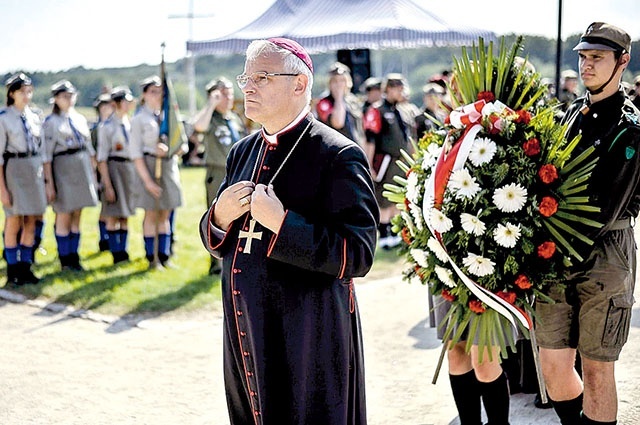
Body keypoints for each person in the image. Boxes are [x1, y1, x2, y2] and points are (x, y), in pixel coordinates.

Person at [199, 37, 378, 424]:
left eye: (261, 76)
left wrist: (283, 224)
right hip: (246, 324)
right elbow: (215, 236)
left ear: (299, 84)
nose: (248, 86)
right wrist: (218, 217)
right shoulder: (241, 151)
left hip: (308, 336)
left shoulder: (338, 154)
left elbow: (358, 253)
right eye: (246, 76)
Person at [535, 22, 640, 425]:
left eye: (597, 58)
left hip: (605, 254)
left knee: (597, 370)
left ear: (622, 62)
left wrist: (552, 247)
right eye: (583, 56)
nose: (586, 65)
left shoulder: (629, 128)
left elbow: (605, 209)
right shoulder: (569, 116)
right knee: (553, 366)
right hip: (556, 248)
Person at [192, 76, 247, 275]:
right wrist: (211, 104)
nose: (228, 97)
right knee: (218, 216)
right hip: (217, 172)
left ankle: (234, 258)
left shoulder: (233, 119)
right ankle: (216, 263)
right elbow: (198, 127)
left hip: (238, 172)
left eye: (230, 93)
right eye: (223, 93)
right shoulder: (210, 117)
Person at [42, 80, 98, 271]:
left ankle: (75, 256)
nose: (69, 100)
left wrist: (93, 173)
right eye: (64, 96)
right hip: (63, 169)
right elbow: (46, 156)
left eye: (71, 95)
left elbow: (89, 148)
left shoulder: (79, 118)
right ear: (56, 99)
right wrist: (49, 182)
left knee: (77, 214)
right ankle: (65, 258)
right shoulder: (51, 123)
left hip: (81, 167)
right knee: (64, 214)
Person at [130, 75, 184, 269]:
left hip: (167, 166)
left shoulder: (169, 116)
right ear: (144, 95)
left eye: (161, 92)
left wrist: (169, 149)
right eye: (153, 92)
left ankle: (164, 254)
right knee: (151, 214)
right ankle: (151, 257)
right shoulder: (139, 119)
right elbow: (135, 153)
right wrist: (147, 181)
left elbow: (181, 144)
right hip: (150, 166)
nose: (158, 96)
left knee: (165, 214)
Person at [0, 73, 47, 285]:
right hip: (14, 168)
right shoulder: (4, 118)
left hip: (33, 168)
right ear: (12, 93)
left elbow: (42, 150)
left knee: (32, 219)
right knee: (14, 219)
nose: (26, 95)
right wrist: (2, 189)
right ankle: (12, 268)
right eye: (21, 91)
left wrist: (47, 180)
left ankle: (26, 266)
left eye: (29, 91)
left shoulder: (34, 116)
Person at [363, 73, 413, 249]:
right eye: (398, 88)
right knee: (384, 199)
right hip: (383, 161)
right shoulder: (377, 110)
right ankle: (384, 236)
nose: (401, 92)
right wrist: (368, 165)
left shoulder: (400, 110)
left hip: (400, 162)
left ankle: (395, 233)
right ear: (389, 89)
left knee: (397, 198)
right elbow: (370, 139)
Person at [96, 86, 137, 264]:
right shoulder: (106, 127)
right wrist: (107, 184)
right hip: (114, 169)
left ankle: (124, 250)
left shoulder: (130, 123)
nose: (128, 104)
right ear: (115, 103)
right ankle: (115, 252)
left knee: (125, 213)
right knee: (113, 213)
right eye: (125, 101)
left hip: (129, 169)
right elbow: (102, 158)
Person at [315, 61, 365, 146]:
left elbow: (360, 130)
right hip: (335, 152)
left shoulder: (352, 101)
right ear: (329, 83)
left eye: (342, 80)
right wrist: (339, 98)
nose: (339, 84)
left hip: (355, 149)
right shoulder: (324, 102)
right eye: (335, 81)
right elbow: (338, 123)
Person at [90, 92, 114, 252]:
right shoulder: (96, 129)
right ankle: (103, 237)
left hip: (115, 168)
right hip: (100, 169)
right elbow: (94, 155)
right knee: (105, 207)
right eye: (104, 106)